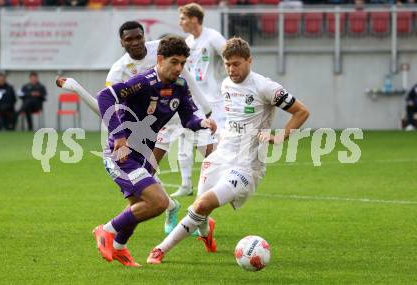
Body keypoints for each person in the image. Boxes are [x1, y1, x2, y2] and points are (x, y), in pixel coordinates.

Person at [146, 37, 310, 264]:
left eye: (236, 64)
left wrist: (280, 136)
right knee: (200, 209)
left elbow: (301, 111)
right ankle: (206, 233)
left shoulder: (265, 87)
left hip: (246, 165)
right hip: (221, 155)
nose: (231, 69)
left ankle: (160, 250)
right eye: (227, 64)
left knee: (202, 205)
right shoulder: (226, 85)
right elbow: (235, 118)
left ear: (249, 61)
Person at [93, 36, 217, 267]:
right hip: (122, 155)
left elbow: (188, 118)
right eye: (174, 62)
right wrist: (119, 137)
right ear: (160, 60)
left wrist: (202, 123)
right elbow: (105, 96)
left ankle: (119, 247)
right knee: (158, 203)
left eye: (182, 63)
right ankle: (105, 231)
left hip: (142, 156)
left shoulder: (180, 86)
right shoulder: (143, 81)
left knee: (139, 206)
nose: (179, 68)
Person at [164, 3, 227, 197]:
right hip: (193, 100)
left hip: (214, 101)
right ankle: (185, 185)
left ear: (193, 19)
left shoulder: (212, 36)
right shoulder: (188, 43)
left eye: (182, 18)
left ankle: (225, 179)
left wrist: (229, 76)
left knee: (217, 143)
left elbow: (230, 54)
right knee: (184, 138)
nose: (180, 22)